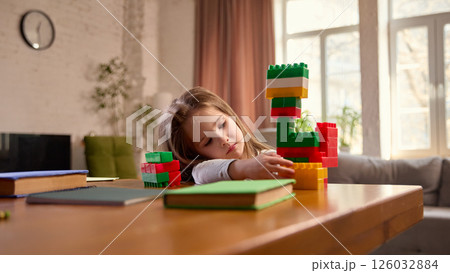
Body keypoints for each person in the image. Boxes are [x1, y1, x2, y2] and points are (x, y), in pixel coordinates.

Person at [159, 86, 294, 184]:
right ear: (195, 156)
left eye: (222, 125)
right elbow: (200, 173)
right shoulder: (205, 172)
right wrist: (246, 168)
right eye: (208, 141)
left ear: (231, 116)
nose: (223, 139)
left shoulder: (267, 155)